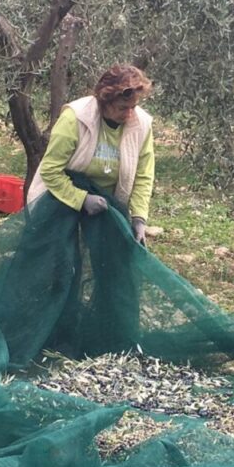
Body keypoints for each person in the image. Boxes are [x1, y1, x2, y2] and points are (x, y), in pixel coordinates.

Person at [22, 63, 155, 354]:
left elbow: (144, 175)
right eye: (123, 107)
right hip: (61, 198)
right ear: (105, 101)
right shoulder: (76, 119)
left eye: (134, 106)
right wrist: (81, 199)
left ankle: (111, 337)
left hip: (106, 203)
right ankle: (52, 336)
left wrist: (138, 217)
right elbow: (51, 172)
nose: (129, 113)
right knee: (63, 266)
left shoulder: (141, 124)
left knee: (115, 266)